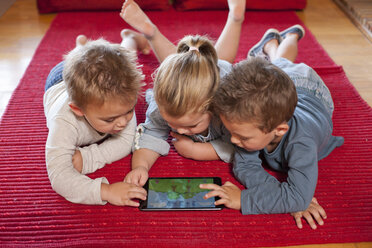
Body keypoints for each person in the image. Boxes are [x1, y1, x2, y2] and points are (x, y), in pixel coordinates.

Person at [200, 25, 344, 229]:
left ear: (280, 130)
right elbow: (245, 167)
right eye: (231, 132)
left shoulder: (301, 143)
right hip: (286, 87)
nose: (233, 141)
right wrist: (286, 196)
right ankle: (271, 45)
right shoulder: (247, 128)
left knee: (283, 63)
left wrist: (244, 199)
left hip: (312, 89)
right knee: (278, 66)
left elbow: (298, 197)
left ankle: (290, 36)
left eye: (242, 138)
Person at [119, 0, 246, 186]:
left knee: (222, 61)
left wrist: (197, 151)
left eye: (191, 126)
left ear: (213, 107)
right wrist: (141, 166)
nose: (179, 131)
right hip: (187, 74)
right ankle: (152, 33)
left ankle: (235, 19)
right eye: (172, 123)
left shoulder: (226, 107)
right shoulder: (162, 102)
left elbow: (240, 146)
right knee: (178, 65)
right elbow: (150, 135)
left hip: (223, 77)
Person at [43, 33, 148, 206]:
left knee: (124, 56)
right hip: (58, 80)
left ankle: (130, 38)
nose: (123, 123)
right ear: (78, 110)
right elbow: (59, 176)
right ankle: (81, 47)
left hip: (98, 75)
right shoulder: (63, 121)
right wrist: (105, 191)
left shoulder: (121, 99)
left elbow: (126, 140)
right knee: (81, 60)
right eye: (110, 120)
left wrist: (87, 158)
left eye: (129, 111)